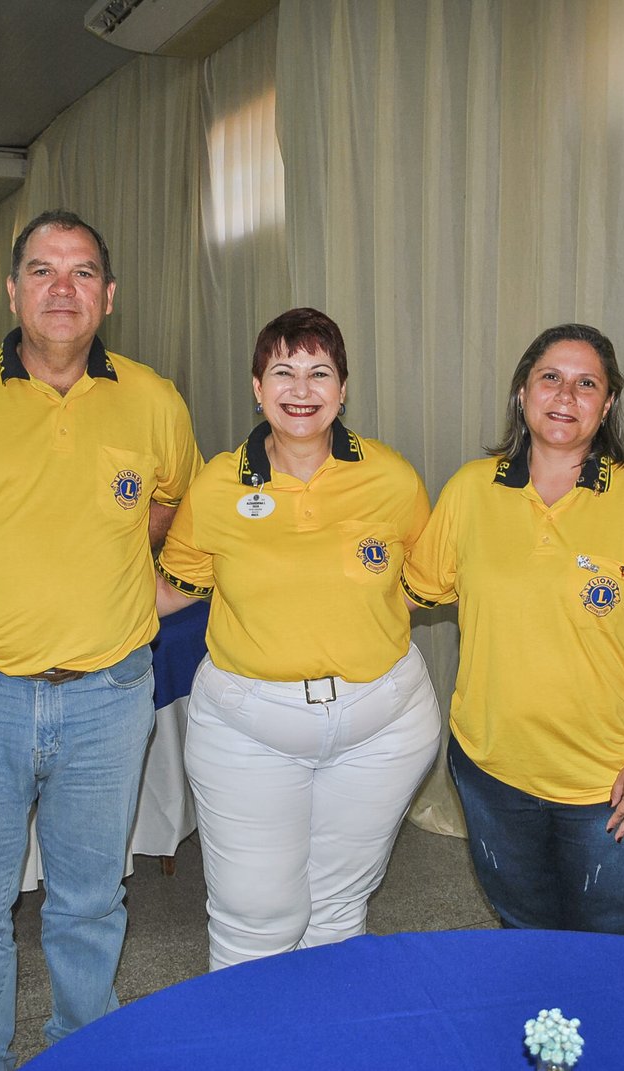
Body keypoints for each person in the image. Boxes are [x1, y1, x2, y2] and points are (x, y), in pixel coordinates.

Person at [0, 209, 202, 1066]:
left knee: (91, 902)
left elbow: (173, 505)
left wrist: (119, 561)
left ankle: (82, 1051)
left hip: (109, 696)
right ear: (13, 290)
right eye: (43, 270)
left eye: (83, 271)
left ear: (109, 295)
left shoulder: (155, 399)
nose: (63, 288)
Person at [154, 307, 442, 970]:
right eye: (284, 371)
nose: (302, 389)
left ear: (343, 390)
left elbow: (422, 582)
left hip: (383, 726)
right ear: (258, 388)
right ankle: (251, 1028)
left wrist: (350, 618)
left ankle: (324, 1025)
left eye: (320, 372)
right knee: (256, 917)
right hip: (249, 728)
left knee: (340, 908)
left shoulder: (392, 478)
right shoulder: (218, 485)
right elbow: (175, 588)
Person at [402, 323, 624, 935]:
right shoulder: (470, 489)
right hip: (493, 770)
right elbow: (406, 595)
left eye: (586, 384)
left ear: (608, 404)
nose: (566, 396)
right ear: (523, 392)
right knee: (525, 930)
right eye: (551, 378)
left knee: (612, 942)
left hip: (612, 780)